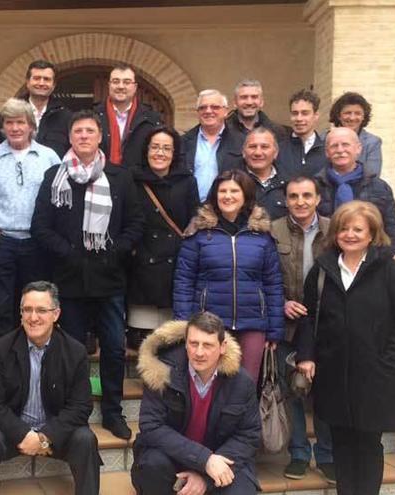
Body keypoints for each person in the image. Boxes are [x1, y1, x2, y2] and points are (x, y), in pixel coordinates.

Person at [31, 109, 145, 440]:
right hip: (68, 279)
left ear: (100, 137)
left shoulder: (120, 177)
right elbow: (40, 226)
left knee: (112, 348)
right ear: (70, 137)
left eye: (90, 131)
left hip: (109, 278)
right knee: (72, 350)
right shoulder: (55, 176)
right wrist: (67, 251)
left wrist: (115, 251)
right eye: (77, 131)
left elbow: (135, 223)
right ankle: (74, 412)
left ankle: (113, 411)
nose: (83, 136)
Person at [296, 200, 395, 495]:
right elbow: (309, 317)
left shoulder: (389, 270)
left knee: (367, 446)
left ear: (371, 233)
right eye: (344, 228)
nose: (350, 234)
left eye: (357, 229)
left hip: (375, 376)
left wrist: (391, 363)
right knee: (341, 444)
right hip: (334, 374)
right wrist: (307, 356)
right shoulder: (323, 271)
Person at [0, 281, 101, 495]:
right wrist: (24, 434)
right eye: (27, 310)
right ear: (20, 314)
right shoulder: (2, 349)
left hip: (54, 433)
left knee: (85, 439)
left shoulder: (75, 352)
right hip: (12, 432)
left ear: (56, 314)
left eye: (41, 310)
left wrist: (44, 437)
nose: (33, 317)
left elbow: (81, 407)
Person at [173, 169, 284, 384]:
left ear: (245, 196)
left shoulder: (262, 235)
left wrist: (274, 329)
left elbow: (273, 283)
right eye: (223, 191)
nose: (228, 196)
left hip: (253, 324)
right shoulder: (198, 233)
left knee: (246, 386)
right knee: (208, 386)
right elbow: (184, 280)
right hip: (209, 323)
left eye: (235, 190)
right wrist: (183, 323)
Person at [131, 312, 261, 495]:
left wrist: (206, 477)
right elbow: (151, 426)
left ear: (223, 347)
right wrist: (203, 460)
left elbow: (249, 434)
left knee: (242, 489)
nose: (199, 352)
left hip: (220, 457)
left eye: (207, 345)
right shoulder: (161, 370)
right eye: (194, 344)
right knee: (153, 465)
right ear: (186, 342)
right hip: (173, 456)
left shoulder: (241, 382)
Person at [269, 176, 335, 483]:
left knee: (323, 390)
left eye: (307, 195)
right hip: (287, 323)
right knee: (291, 389)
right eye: (294, 196)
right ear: (286, 199)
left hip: (326, 323)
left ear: (318, 199)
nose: (300, 201)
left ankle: (327, 455)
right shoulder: (273, 230)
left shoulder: (334, 229)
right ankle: (298, 453)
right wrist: (281, 303)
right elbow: (262, 277)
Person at [0, 98, 61, 340]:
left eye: (20, 122)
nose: (15, 128)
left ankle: (34, 347)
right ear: (3, 126)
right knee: (0, 302)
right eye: (9, 122)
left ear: (31, 126)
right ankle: (3, 353)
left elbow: (60, 196)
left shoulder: (48, 157)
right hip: (2, 240)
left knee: (36, 301)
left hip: (37, 242)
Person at [127, 126, 200, 350]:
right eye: (155, 147)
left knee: (173, 340)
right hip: (141, 269)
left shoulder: (187, 181)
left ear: (175, 153)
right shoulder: (131, 179)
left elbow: (194, 219)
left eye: (167, 148)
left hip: (175, 269)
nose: (160, 153)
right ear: (146, 151)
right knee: (145, 343)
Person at [316, 127, 395, 253]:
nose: (340, 150)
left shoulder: (379, 187)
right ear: (327, 152)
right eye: (334, 146)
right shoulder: (316, 186)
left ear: (358, 149)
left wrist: (387, 258)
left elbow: (391, 228)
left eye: (345, 144)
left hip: (370, 261)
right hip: (326, 257)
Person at [0, 60, 71, 158]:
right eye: (37, 78)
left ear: (53, 85)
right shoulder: (10, 114)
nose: (41, 83)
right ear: (28, 82)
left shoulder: (65, 116)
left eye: (46, 79)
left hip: (54, 172)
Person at [181, 89, 245, 202]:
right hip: (190, 210)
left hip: (227, 209)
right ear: (197, 112)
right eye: (202, 107)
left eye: (215, 107)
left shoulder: (241, 142)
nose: (208, 111)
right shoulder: (183, 142)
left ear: (226, 111)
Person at [94, 64, 162, 167]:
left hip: (137, 180)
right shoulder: (93, 116)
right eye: (116, 81)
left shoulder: (152, 119)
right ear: (109, 85)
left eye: (127, 82)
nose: (121, 86)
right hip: (101, 179)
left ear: (135, 87)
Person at [277, 89, 327, 180]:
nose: (299, 118)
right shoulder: (278, 150)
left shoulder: (326, 152)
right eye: (295, 113)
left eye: (305, 113)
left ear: (316, 115)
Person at [328, 91, 382, 177]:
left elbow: (372, 176)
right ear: (338, 115)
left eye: (357, 113)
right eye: (347, 113)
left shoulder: (372, 142)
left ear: (364, 116)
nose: (352, 118)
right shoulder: (324, 139)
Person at [241, 128, 287, 220]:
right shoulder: (231, 182)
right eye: (253, 146)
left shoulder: (289, 183)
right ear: (243, 152)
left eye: (264, 147)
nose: (258, 153)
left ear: (275, 153)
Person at [225, 79, 289, 141]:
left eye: (254, 97)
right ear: (235, 103)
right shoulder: (223, 129)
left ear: (261, 102)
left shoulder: (277, 131)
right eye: (244, 97)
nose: (249, 102)